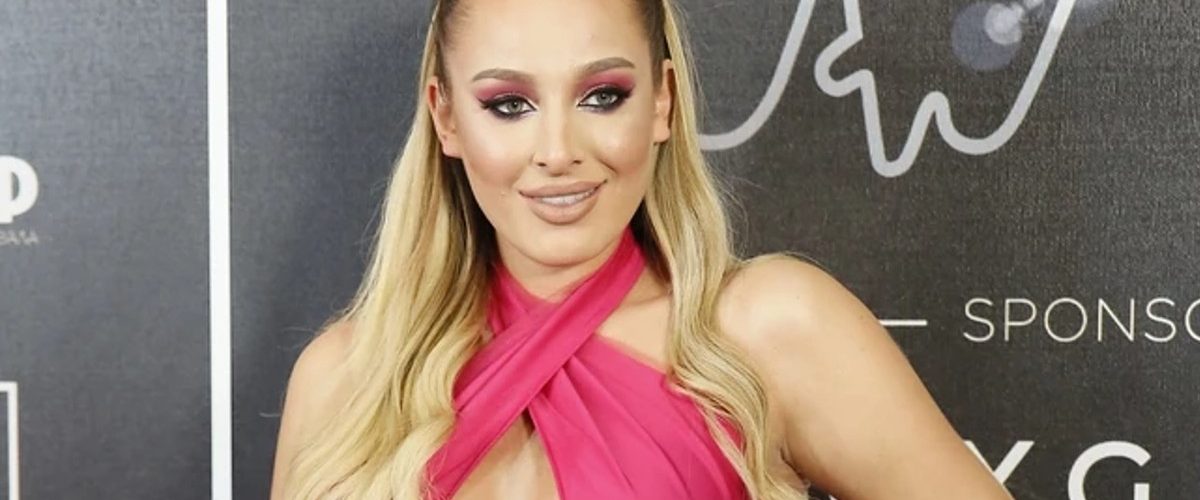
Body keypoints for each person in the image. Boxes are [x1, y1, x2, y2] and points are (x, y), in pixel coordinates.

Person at [270, 0, 1015, 498]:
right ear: (447, 119)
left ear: (662, 100)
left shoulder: (770, 330)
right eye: (508, 105)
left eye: (602, 96)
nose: (557, 150)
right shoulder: (344, 381)